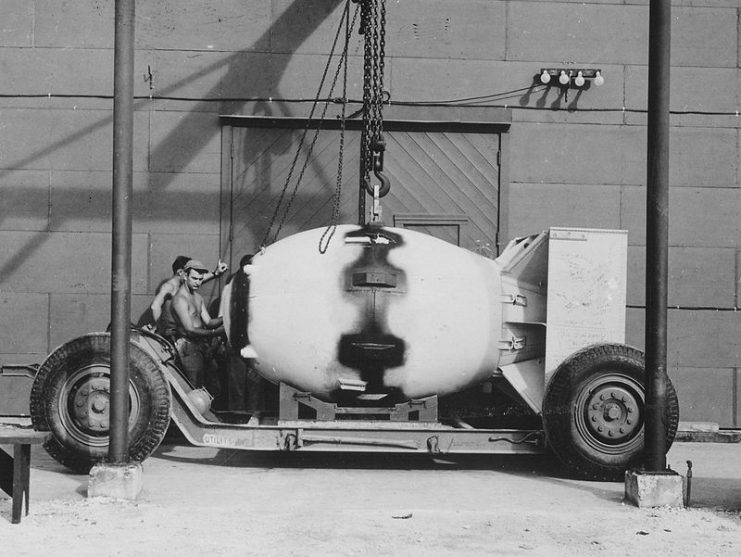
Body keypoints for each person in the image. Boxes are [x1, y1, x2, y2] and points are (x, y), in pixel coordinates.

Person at [169, 259, 226, 389]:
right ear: (184, 276)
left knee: (213, 384)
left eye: (200, 279)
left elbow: (209, 322)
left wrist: (227, 317)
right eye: (194, 278)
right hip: (188, 346)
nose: (198, 282)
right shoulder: (179, 300)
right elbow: (190, 329)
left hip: (201, 345)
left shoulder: (198, 297)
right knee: (193, 386)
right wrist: (215, 333)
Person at [149, 255, 228, 325]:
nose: (197, 282)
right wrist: (161, 328)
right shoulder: (169, 286)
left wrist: (216, 273)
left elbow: (199, 279)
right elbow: (155, 307)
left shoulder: (183, 283)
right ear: (180, 272)